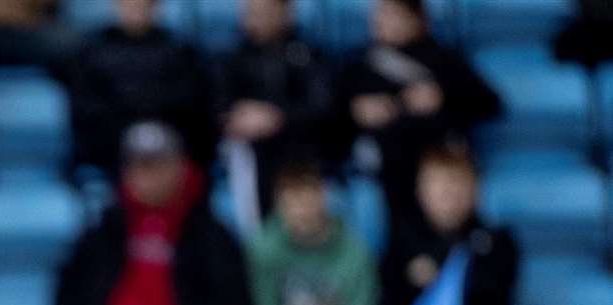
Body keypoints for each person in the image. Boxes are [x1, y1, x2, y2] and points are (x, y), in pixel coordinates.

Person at [51, 122, 254, 305]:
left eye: (155, 165)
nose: (145, 176)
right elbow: (73, 279)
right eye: (138, 166)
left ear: (178, 167)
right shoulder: (108, 227)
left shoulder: (208, 232)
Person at [370, 143, 534, 305]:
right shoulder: (402, 241)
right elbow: (387, 301)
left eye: (457, 182)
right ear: (421, 190)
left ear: (475, 188)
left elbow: (498, 299)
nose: (449, 193)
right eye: (439, 184)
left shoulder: (497, 241)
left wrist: (447, 280)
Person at [337, 0, 500, 216]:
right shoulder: (359, 64)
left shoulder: (443, 60)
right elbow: (329, 122)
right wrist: (356, 112)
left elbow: (490, 105)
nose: (383, 22)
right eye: (381, 14)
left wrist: (442, 96)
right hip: (384, 170)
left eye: (395, 15)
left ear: (419, 20)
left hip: (436, 163)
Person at [248, 161, 377, 305]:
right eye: (292, 203)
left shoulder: (354, 250)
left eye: (306, 201)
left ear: (323, 198)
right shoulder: (263, 249)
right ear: (279, 205)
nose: (301, 212)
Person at [54, 0, 215, 176]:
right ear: (117, 5)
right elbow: (86, 109)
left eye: (144, 4)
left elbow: (192, 106)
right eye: (130, 3)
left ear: (156, 7)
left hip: (171, 145)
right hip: (111, 150)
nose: (136, 8)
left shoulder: (182, 52)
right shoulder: (91, 52)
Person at [214, 0, 334, 219]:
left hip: (301, 145)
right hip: (251, 150)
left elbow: (322, 107)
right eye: (250, 12)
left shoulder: (308, 54)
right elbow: (218, 107)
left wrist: (277, 117)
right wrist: (239, 118)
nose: (255, 18)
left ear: (286, 12)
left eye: (263, 11)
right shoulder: (233, 57)